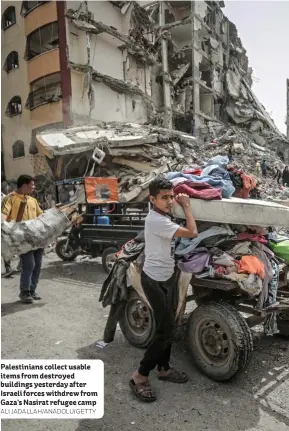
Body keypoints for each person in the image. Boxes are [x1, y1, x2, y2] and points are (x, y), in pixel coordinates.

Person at [130, 177, 198, 402]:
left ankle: (164, 368)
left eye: (171, 197)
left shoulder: (164, 215)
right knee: (166, 330)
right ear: (152, 199)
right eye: (164, 197)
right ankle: (140, 375)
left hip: (167, 277)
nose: (170, 201)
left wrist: (177, 204)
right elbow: (192, 232)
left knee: (169, 323)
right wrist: (186, 205)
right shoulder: (157, 221)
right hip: (154, 280)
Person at [1, 175, 44, 303]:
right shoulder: (10, 198)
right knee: (29, 263)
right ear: (24, 186)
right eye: (32, 185)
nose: (34, 187)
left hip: (36, 237)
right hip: (22, 239)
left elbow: (41, 216)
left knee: (38, 264)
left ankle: (32, 290)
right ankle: (24, 291)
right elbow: (3, 215)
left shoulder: (32, 200)